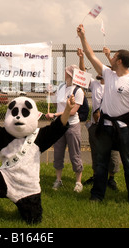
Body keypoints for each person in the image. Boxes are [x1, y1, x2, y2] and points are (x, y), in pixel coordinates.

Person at [0, 95, 75, 224]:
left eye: (24, 113)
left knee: (34, 221)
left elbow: (57, 128)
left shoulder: (39, 137)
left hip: (28, 187)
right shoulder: (2, 136)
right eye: (15, 112)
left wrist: (67, 109)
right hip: (6, 178)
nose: (18, 116)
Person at [77, 24, 129, 210]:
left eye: (114, 56)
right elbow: (90, 54)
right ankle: (97, 195)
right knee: (101, 163)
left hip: (123, 129)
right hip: (105, 127)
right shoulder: (108, 74)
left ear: (120, 61)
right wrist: (83, 36)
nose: (111, 57)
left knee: (128, 164)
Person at [78, 48, 120, 190]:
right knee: (95, 150)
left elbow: (116, 71)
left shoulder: (113, 85)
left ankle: (111, 178)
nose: (98, 71)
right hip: (95, 125)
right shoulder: (95, 84)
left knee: (112, 152)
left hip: (110, 125)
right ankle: (96, 175)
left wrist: (108, 56)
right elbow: (83, 74)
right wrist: (81, 58)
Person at [46, 64, 84, 192]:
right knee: (58, 153)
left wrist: (55, 115)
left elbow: (72, 111)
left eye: (66, 72)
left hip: (72, 125)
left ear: (70, 74)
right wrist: (50, 92)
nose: (64, 73)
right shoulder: (62, 86)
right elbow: (56, 102)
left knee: (75, 154)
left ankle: (78, 182)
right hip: (59, 126)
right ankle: (58, 180)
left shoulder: (78, 91)